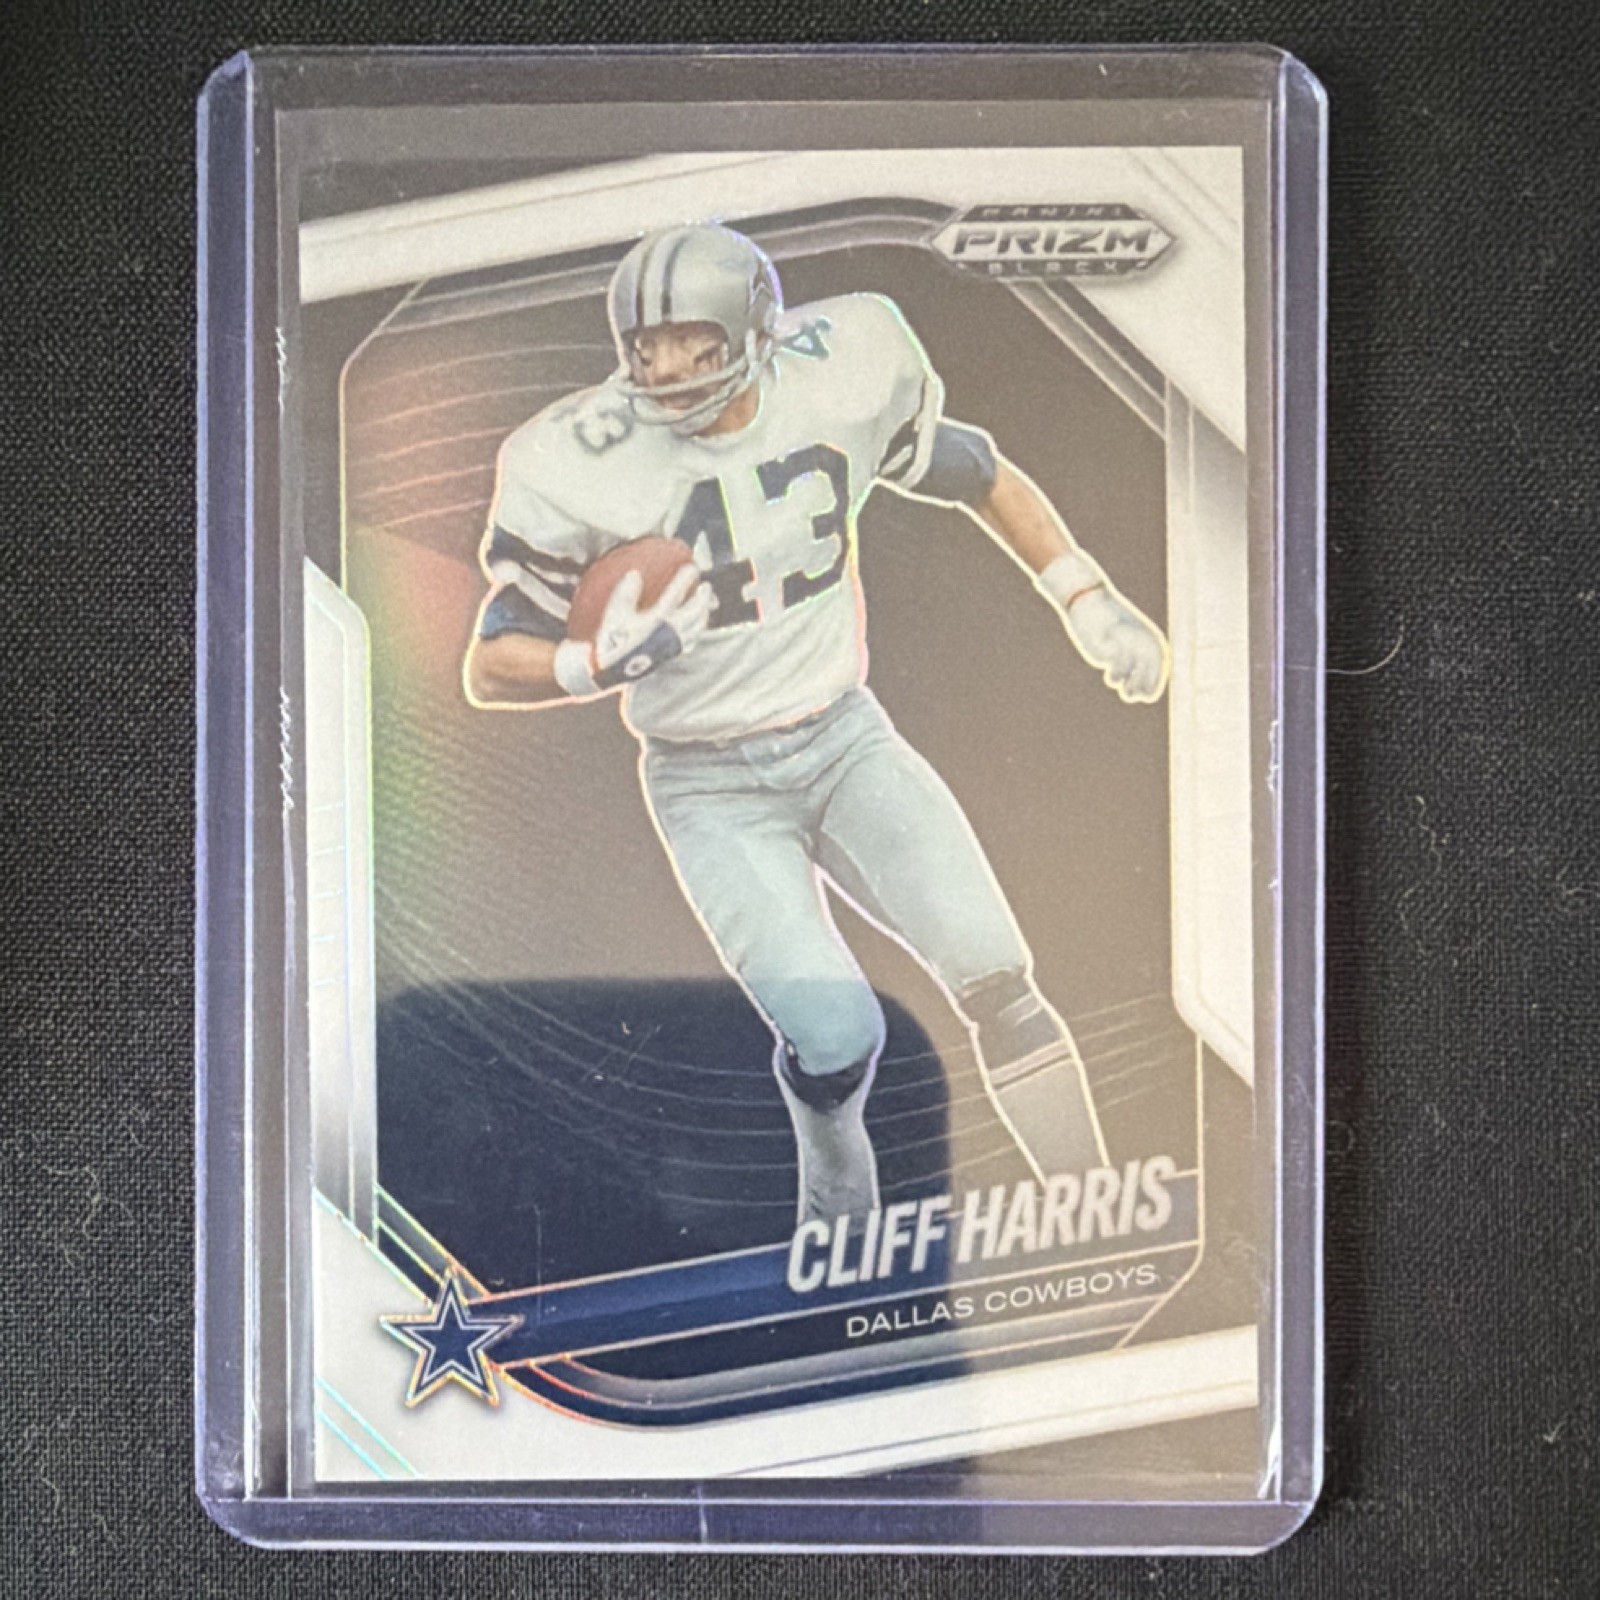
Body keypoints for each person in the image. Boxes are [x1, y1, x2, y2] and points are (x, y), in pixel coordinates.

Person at [463, 223, 1169, 1226]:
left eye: (693, 343)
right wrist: (589, 664)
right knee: (836, 1035)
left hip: (844, 740)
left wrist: (1084, 594)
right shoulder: (576, 459)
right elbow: (489, 664)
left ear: (757, 332)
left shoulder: (843, 374)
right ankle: (836, 1190)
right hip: (709, 785)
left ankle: (1093, 1207)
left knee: (998, 973)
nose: (665, 370)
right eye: (645, 346)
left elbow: (978, 471)